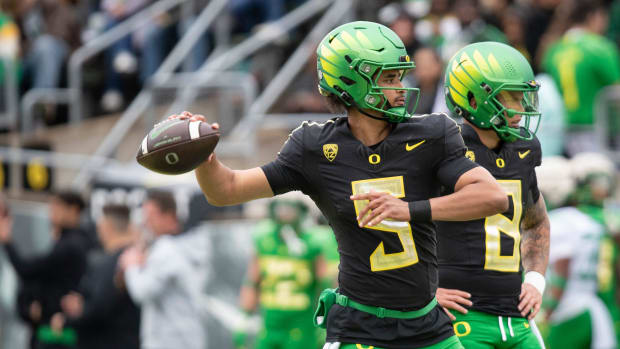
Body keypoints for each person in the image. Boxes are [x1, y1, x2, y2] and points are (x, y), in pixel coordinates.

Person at [169, 20, 508, 349]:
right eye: (389, 78)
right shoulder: (313, 147)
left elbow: (492, 196)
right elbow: (224, 190)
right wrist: (202, 156)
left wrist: (409, 210)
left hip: (427, 326)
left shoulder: (432, 134)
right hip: (360, 327)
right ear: (351, 83)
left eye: (400, 76)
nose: (402, 87)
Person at [437, 41, 550, 348]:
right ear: (474, 97)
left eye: (522, 95)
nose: (522, 107)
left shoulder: (523, 149)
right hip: (461, 318)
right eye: (510, 96)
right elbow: (395, 221)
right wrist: (423, 291)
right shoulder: (441, 147)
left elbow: (536, 222)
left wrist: (535, 280)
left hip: (516, 317)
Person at [541, 153, 620, 348]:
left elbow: (562, 266)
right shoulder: (596, 219)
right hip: (597, 302)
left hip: (574, 306)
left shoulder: (565, 219)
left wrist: (549, 309)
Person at [118, 190, 210, 349]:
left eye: (150, 215)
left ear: (168, 216)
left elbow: (142, 292)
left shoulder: (166, 249)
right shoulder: (190, 244)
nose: (145, 222)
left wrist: (131, 265)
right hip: (189, 338)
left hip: (168, 342)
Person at [234, 194, 327, 349]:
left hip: (301, 327)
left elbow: (324, 285)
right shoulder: (264, 240)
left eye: (290, 208)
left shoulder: (313, 243)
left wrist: (326, 319)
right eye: (280, 208)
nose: (284, 213)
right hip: (270, 326)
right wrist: (244, 317)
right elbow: (252, 281)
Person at [0, 191, 89, 349]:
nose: (52, 214)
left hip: (59, 333)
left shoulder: (72, 245)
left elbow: (28, 270)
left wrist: (7, 241)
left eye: (57, 208)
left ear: (73, 210)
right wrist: (30, 305)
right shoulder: (65, 242)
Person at [50, 203, 140, 349]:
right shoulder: (136, 259)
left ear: (107, 227)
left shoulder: (113, 263)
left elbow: (98, 308)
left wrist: (67, 319)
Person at [542, 0, 620, 156]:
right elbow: (616, 91)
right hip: (599, 132)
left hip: (562, 131)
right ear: (593, 17)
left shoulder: (554, 49)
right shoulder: (600, 47)